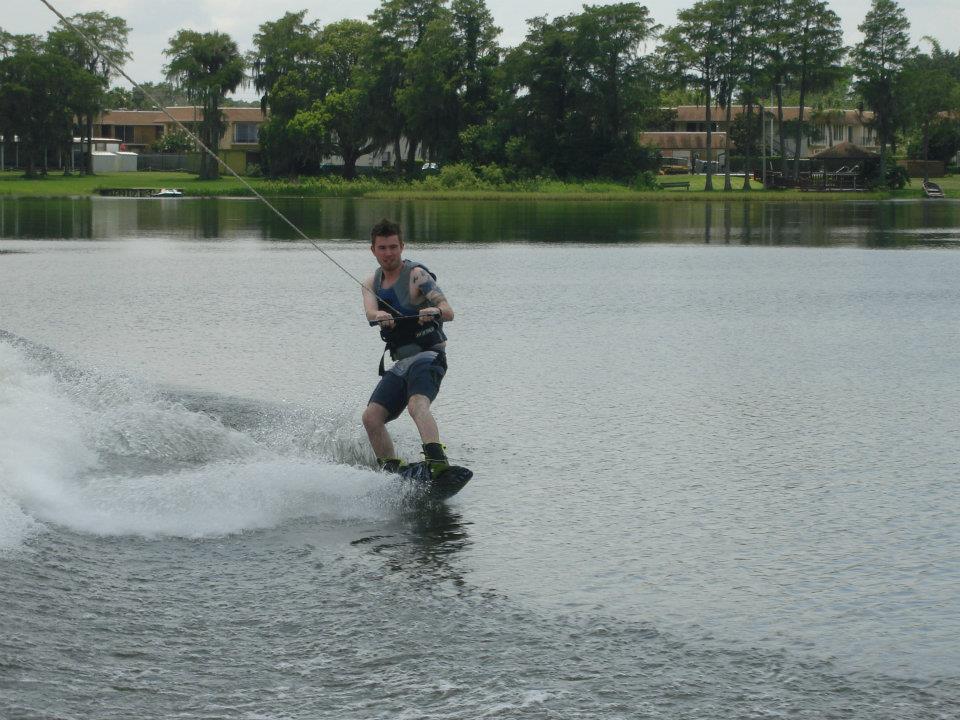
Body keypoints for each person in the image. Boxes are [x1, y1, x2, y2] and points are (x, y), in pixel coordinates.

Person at [361, 219, 454, 477]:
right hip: (401, 364)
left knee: (416, 405)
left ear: (402, 246)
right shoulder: (370, 283)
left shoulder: (417, 276)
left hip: (428, 356)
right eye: (382, 248)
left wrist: (433, 310)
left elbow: (449, 311)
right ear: (373, 250)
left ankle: (437, 462)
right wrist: (379, 315)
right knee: (371, 417)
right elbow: (370, 312)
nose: (388, 253)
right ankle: (391, 471)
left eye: (393, 247)